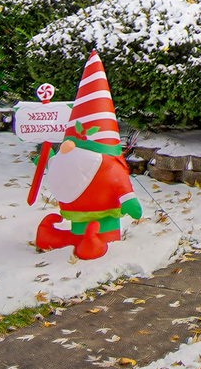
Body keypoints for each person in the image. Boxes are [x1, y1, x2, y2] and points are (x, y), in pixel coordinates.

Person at [35, 51, 141, 259]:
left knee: (96, 233)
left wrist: (129, 200)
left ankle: (92, 242)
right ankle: (73, 239)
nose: (67, 147)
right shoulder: (77, 160)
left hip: (103, 220)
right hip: (76, 214)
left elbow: (121, 187)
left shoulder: (107, 164)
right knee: (80, 233)